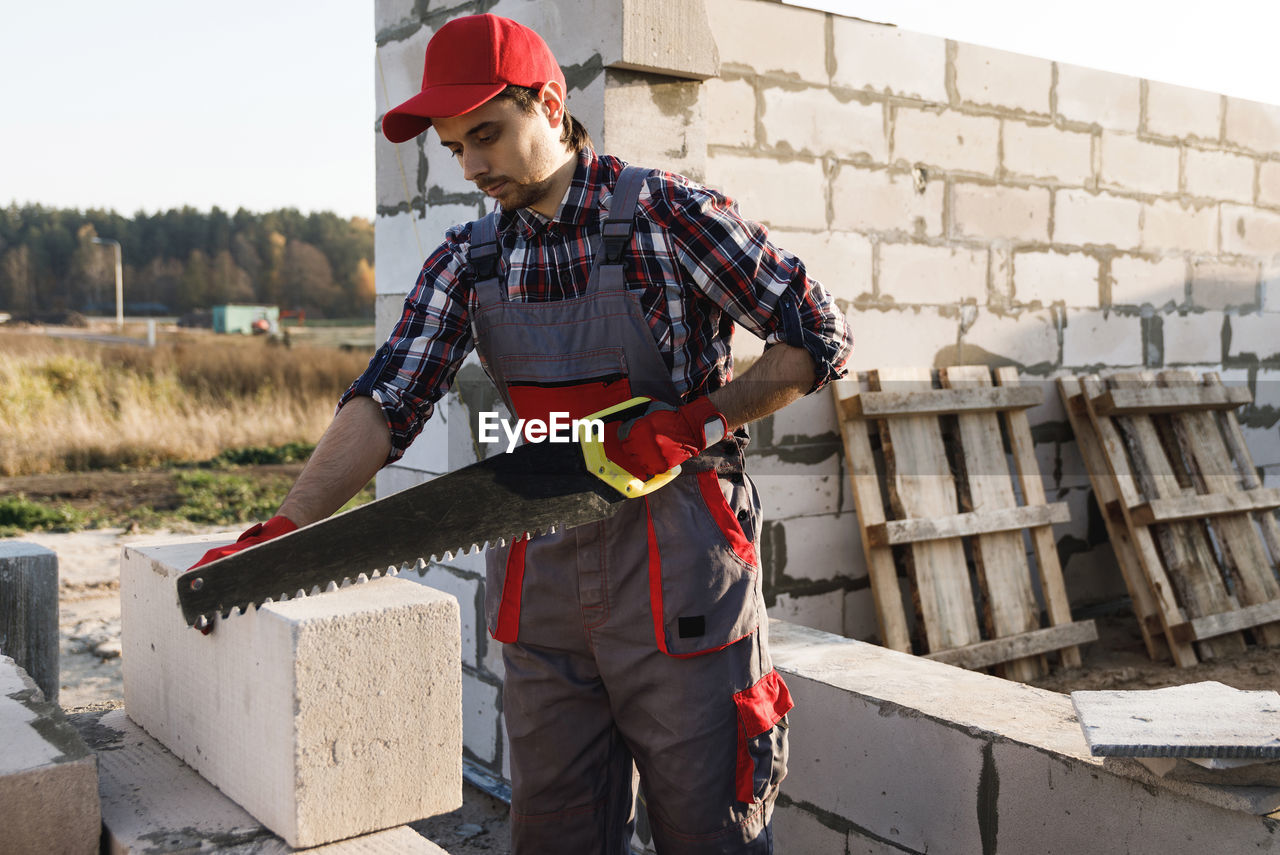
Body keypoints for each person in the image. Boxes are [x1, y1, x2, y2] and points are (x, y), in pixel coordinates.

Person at [194, 13, 852, 854]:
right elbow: (387, 399)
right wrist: (284, 533)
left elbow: (817, 333)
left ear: (550, 102)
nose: (471, 165)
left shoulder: (667, 213)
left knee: (709, 834)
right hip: (540, 586)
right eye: (454, 147)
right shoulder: (469, 260)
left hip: (682, 582)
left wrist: (691, 425)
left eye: (487, 135)